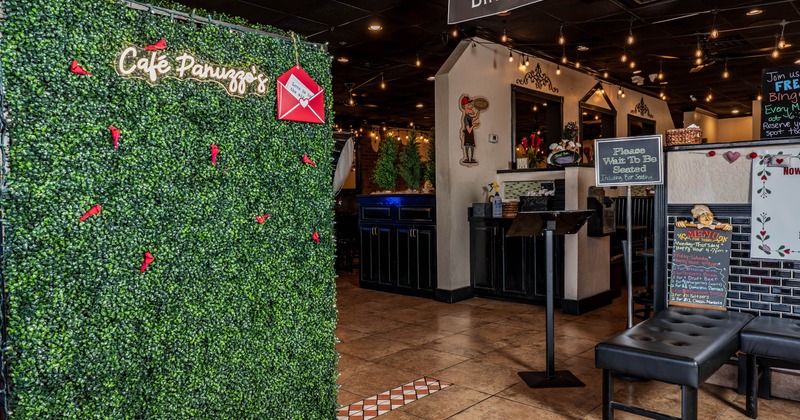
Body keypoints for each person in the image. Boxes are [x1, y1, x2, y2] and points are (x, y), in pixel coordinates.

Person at [460, 95, 478, 163]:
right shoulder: (466, 118)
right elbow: (469, 130)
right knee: (468, 146)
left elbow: (475, 117)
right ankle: (467, 158)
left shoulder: (469, 117)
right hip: (468, 134)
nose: (471, 106)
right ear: (466, 106)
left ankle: (471, 158)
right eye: (469, 105)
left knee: (472, 146)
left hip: (470, 134)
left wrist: (479, 109)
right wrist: (473, 125)